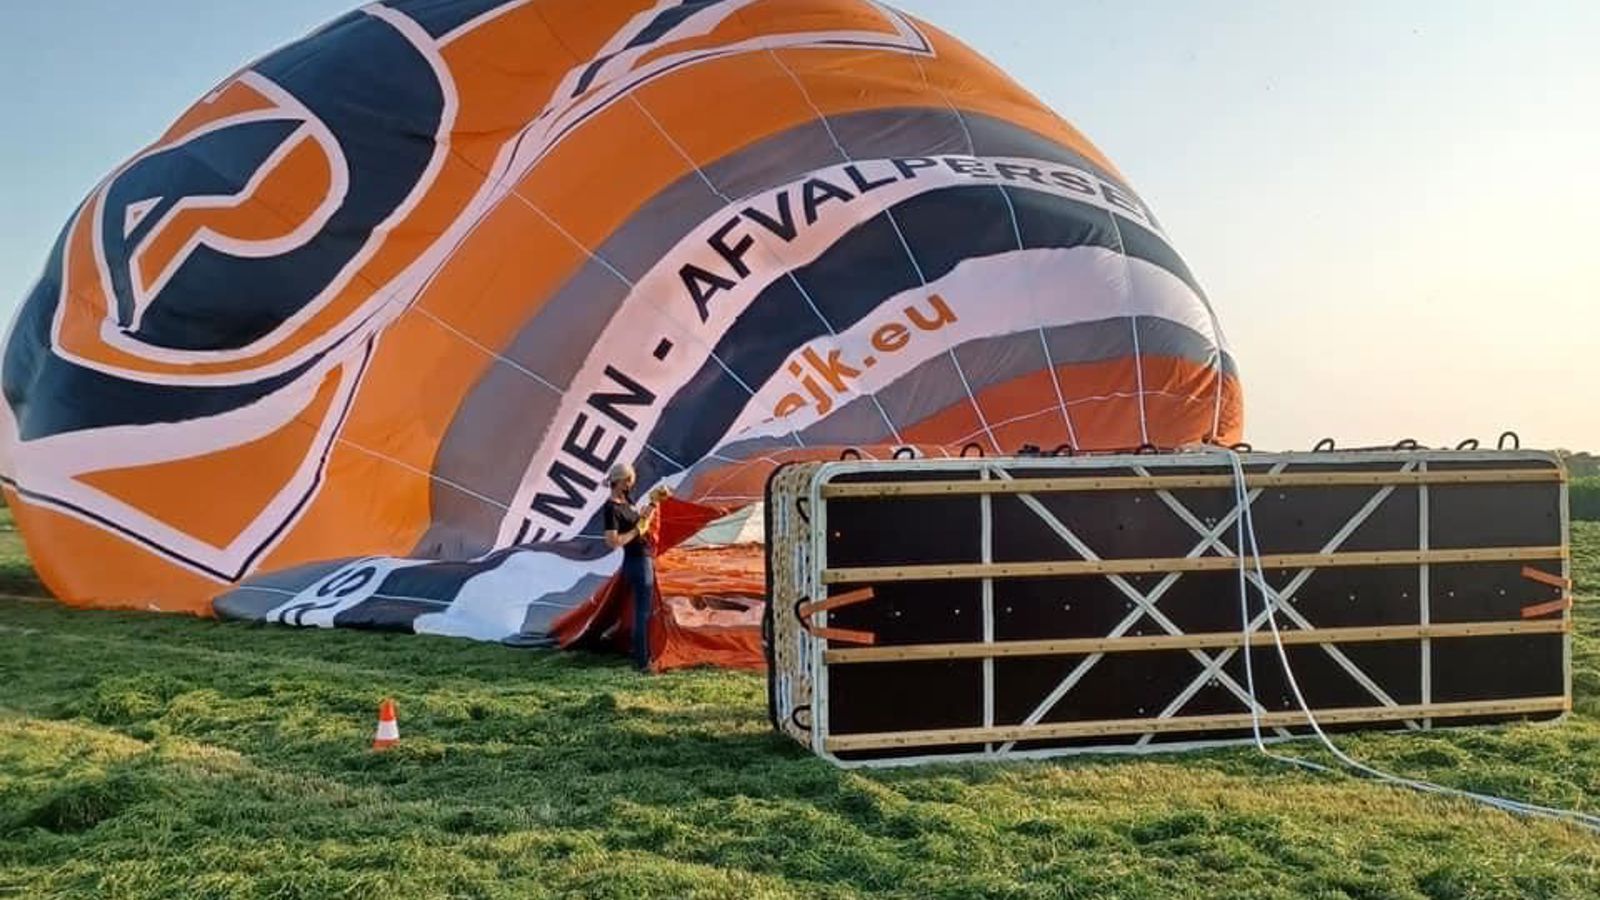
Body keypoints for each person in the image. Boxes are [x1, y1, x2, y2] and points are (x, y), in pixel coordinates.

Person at [602, 462, 662, 671]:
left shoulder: (627, 501)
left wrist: (653, 505)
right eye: (629, 481)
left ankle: (638, 653)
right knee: (642, 614)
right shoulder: (611, 508)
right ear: (621, 481)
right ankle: (643, 662)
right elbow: (612, 541)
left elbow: (642, 524)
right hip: (636, 563)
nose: (631, 485)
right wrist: (636, 531)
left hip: (640, 560)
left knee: (640, 612)